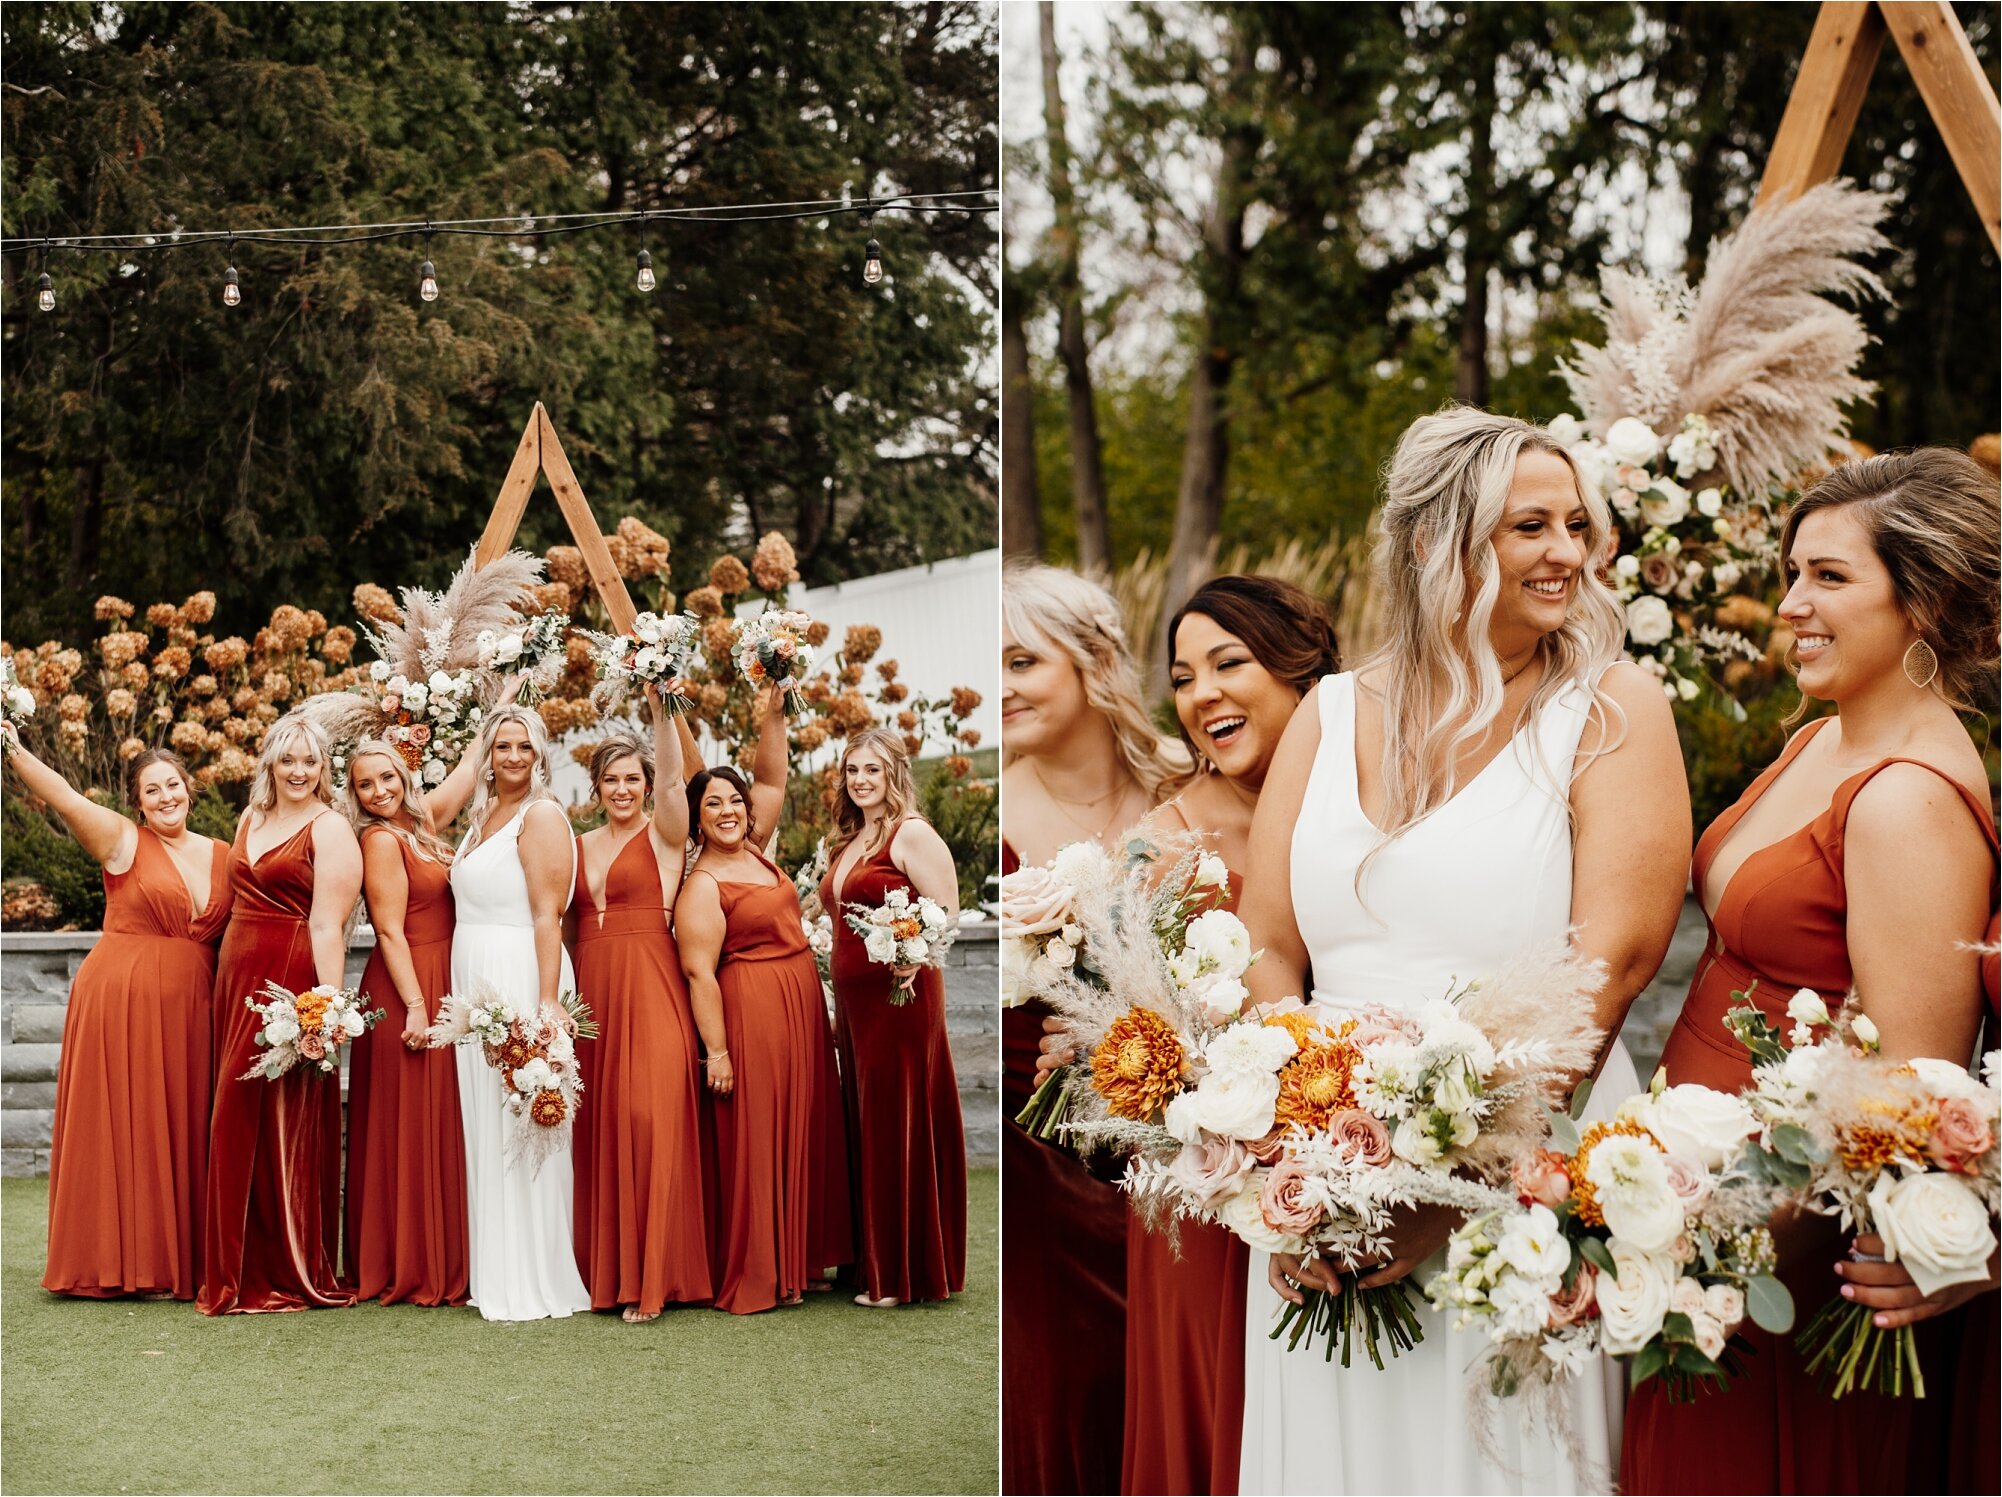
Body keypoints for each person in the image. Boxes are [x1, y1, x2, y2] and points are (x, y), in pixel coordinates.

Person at [1233, 406, 1689, 1493]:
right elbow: (1263, 944)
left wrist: (1447, 1188)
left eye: (1578, 525)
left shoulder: (1613, 710)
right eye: (1529, 526)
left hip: (1516, 1164)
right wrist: (1291, 1160)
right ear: (1440, 540)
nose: (1567, 553)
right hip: (1322, 1163)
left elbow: (1610, 969)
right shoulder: (1329, 713)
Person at [1622, 448, 1999, 1495]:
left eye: (1828, 578)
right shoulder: (1814, 741)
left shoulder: (1906, 800)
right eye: (1792, 572)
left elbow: (1899, 1112)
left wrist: (1717, 1253)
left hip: (1785, 1272)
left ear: (1921, 603)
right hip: (1695, 1221)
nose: (1788, 604)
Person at [1119, 576, 1343, 1494]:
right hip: (1219, 1184)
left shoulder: (1368, 807)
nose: (1202, 692)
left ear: (1301, 669)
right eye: (1182, 676)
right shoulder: (1161, 843)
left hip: (1362, 1149)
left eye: (1228, 662)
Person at [1000, 561, 1188, 1496]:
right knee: (1066, 1385)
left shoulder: (1195, 791)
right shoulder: (994, 808)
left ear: (1094, 661)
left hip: (1192, 1148)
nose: (1001, 687)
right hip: (1046, 1159)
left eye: (1023, 661)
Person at [3, 731, 228, 1300]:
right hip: (121, 1000)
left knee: (179, 1123)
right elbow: (64, 798)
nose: (165, 797)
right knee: (126, 1123)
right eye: (151, 791)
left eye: (172, 785)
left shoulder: (224, 853)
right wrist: (13, 747)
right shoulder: (123, 840)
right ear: (138, 803)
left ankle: (180, 1257)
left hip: (192, 1008)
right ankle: (115, 1261)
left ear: (190, 790)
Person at [676, 685, 851, 1313]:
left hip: (800, 999)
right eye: (712, 804)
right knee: (761, 1129)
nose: (727, 811)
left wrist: (774, 713)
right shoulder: (702, 884)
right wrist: (717, 1053)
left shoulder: (754, 849)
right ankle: (762, 1268)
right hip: (750, 1005)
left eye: (734, 802)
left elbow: (772, 776)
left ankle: (804, 1254)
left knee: (805, 1117)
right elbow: (700, 974)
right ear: (695, 819)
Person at [199, 714, 365, 1314]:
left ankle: (286, 1265)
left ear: (325, 769)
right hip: (236, 975)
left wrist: (327, 1006)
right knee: (234, 1113)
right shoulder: (252, 818)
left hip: (290, 983)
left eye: (311, 761)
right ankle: (234, 1263)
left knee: (279, 1116)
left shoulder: (332, 829)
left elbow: (328, 924)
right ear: (270, 763)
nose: (299, 772)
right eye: (288, 760)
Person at [570, 688, 715, 1322]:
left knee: (651, 1119)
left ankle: (657, 1278)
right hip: (592, 994)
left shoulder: (664, 836)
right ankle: (609, 1275)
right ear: (596, 786)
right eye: (612, 779)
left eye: (634, 779)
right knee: (603, 1126)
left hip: (653, 985)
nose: (623, 789)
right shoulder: (576, 845)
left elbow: (676, 780)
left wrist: (659, 708)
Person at [448, 704, 593, 1322]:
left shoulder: (541, 816)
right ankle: (497, 1271)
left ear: (539, 755)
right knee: (488, 1122)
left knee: (525, 1122)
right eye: (501, 746)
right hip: (473, 977)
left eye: (523, 747)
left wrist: (547, 1001)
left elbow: (547, 915)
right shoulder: (482, 816)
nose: (511, 757)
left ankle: (537, 1277)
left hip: (519, 973)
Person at [818, 725, 967, 1308]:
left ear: (894, 774)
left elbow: (948, 912)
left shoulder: (912, 834)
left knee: (893, 1120)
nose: (861, 781)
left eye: (872, 770)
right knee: (866, 1119)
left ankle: (899, 1275)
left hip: (900, 999)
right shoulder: (851, 839)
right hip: (857, 1009)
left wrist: (917, 957)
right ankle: (868, 1261)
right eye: (853, 771)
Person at [340, 738, 479, 1307]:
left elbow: (471, 770)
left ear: (404, 775)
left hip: (443, 976)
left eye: (387, 778)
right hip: (409, 986)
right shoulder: (378, 840)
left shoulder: (421, 828)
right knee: (415, 1121)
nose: (379, 792)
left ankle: (447, 1253)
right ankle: (410, 1261)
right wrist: (418, 1005)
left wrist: (501, 691)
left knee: (443, 1118)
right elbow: (390, 929)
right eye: (365, 785)